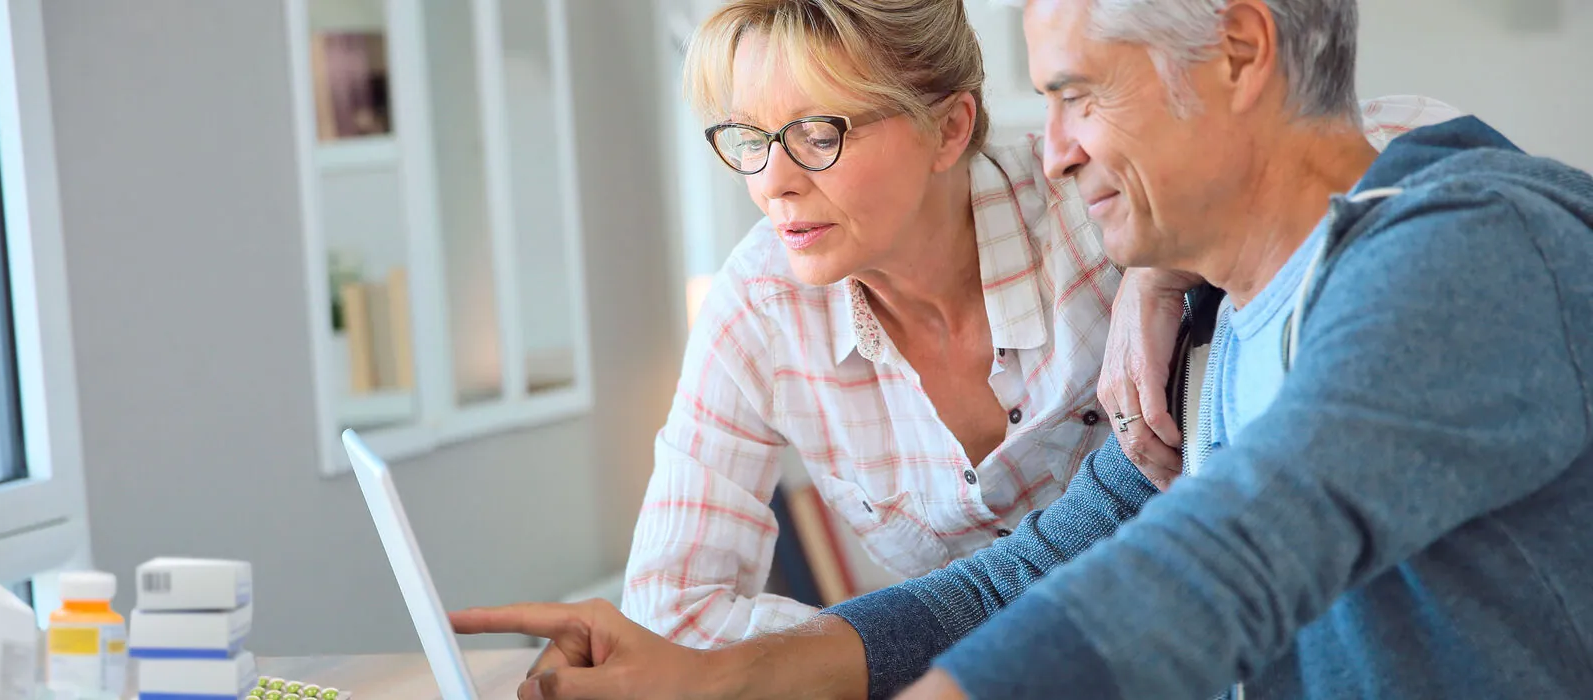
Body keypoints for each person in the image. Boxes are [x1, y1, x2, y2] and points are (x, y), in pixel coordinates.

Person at [449, 0, 1593, 698]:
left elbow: (1229, 554)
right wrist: (714, 681)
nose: (1047, 156)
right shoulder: (1226, 316)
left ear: (1239, 53)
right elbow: (1025, 572)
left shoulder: (1467, 246)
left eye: (1077, 96)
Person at [617, 0, 1446, 651]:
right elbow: (669, 613)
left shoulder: (1088, 198)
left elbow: (1425, 136)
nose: (773, 184)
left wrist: (1161, 267)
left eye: (816, 134)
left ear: (948, 128)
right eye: (749, 139)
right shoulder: (758, 306)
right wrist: (869, 651)